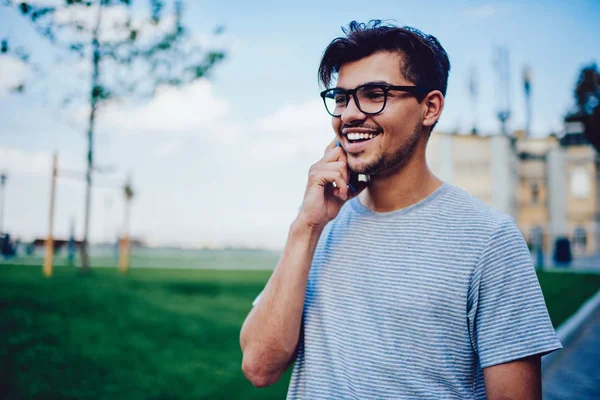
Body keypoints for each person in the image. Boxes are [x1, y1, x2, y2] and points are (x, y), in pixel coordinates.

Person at [240, 20, 561, 399]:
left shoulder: (489, 240)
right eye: (341, 98)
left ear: (430, 107)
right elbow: (260, 367)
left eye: (374, 94)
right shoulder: (319, 224)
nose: (350, 114)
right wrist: (306, 227)